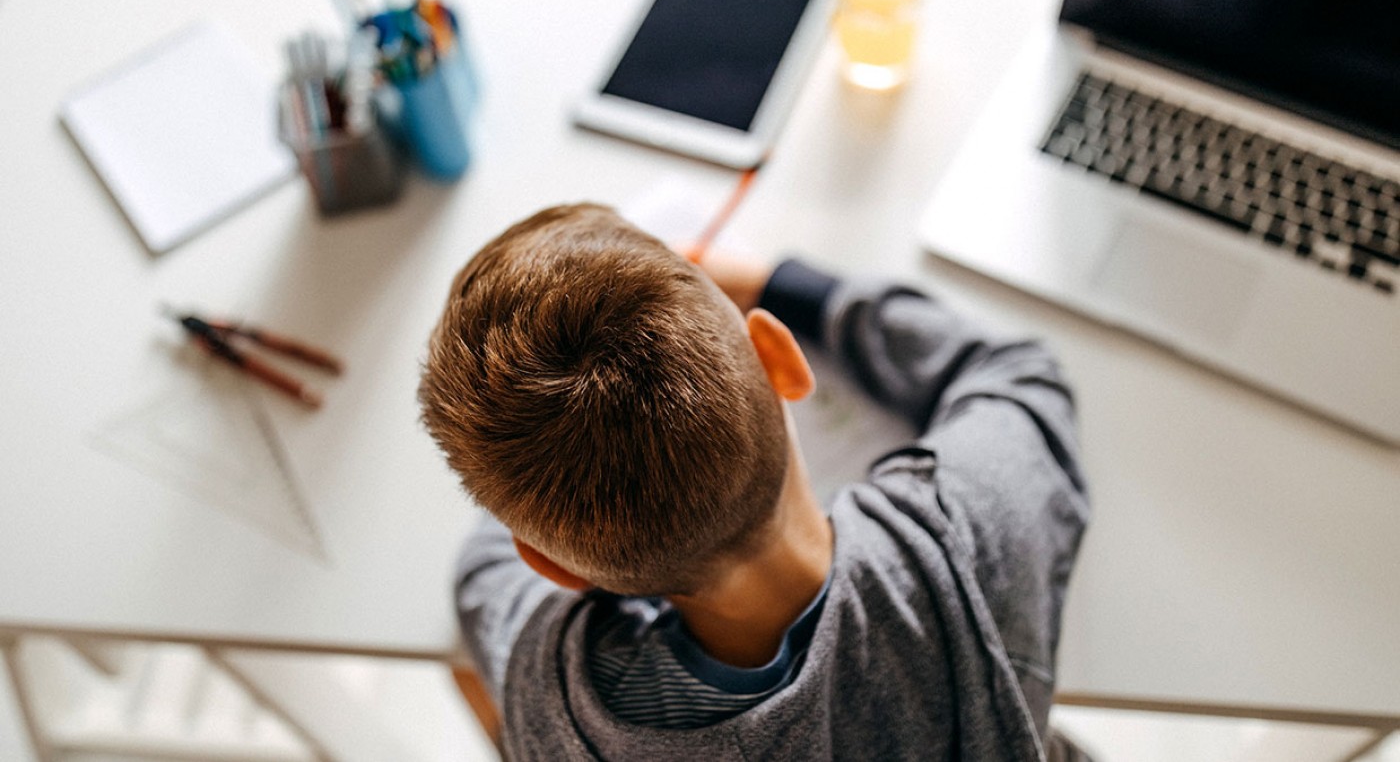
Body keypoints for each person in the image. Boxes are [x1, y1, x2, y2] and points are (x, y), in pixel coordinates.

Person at [418, 203, 1090, 760]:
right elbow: (1016, 373)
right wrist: (785, 284)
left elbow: (482, 574)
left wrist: (534, 460)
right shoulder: (966, 541)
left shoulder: (553, 695)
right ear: (781, 359)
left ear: (549, 565)